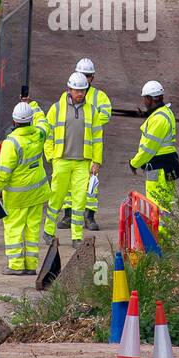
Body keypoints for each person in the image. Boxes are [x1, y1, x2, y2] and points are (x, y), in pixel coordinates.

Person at [0, 101, 50, 275]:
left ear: (14, 122)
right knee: (32, 229)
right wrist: (33, 105)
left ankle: (15, 265)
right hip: (37, 193)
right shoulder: (39, 134)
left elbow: (2, 174)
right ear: (31, 120)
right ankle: (31, 266)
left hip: (17, 197)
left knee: (14, 229)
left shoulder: (11, 143)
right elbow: (44, 122)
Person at [55, 57, 111, 233]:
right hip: (70, 145)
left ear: (92, 76)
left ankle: (89, 216)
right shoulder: (67, 96)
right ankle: (69, 215)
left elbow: (105, 115)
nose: (85, 79)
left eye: (87, 75)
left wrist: (88, 122)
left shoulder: (99, 96)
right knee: (69, 186)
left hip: (88, 146)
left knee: (91, 184)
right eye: (82, 75)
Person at [44, 72, 100, 245]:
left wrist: (96, 161)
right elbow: (47, 133)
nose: (80, 94)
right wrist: (51, 156)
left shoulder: (91, 110)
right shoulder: (57, 108)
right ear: (69, 89)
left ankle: (77, 237)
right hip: (61, 160)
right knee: (56, 198)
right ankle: (48, 231)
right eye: (77, 90)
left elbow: (98, 137)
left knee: (79, 201)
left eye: (83, 90)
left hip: (82, 162)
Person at [129, 79, 179, 215]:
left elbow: (148, 148)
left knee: (156, 206)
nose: (144, 102)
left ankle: (158, 235)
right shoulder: (165, 113)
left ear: (150, 99)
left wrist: (134, 163)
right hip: (167, 164)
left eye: (145, 99)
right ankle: (163, 234)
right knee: (164, 205)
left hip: (158, 167)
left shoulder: (158, 118)